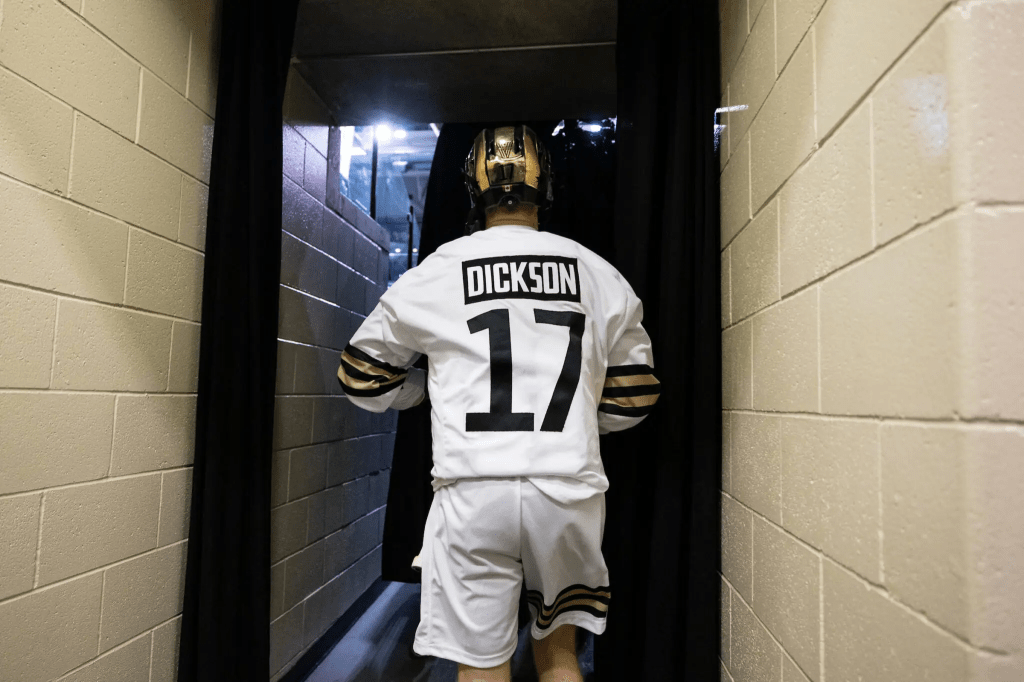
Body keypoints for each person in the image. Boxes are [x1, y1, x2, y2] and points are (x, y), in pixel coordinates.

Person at [338, 125, 659, 682]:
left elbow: (360, 375)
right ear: (546, 187)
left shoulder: (438, 270)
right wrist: (579, 418)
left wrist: (423, 393)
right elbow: (636, 395)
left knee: (481, 667)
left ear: (473, 189)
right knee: (560, 657)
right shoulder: (597, 272)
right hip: (568, 488)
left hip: (473, 490)